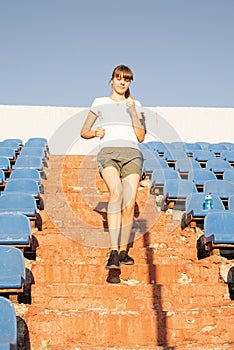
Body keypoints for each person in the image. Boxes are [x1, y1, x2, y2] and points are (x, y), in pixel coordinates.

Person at [80, 64, 146, 270]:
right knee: (116, 192)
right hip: (108, 153)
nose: (122, 82)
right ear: (112, 80)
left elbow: (141, 137)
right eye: (118, 78)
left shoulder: (136, 104)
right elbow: (84, 131)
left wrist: (133, 111)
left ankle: (123, 251)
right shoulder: (99, 102)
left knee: (129, 203)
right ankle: (113, 251)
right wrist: (95, 132)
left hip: (132, 155)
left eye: (126, 79)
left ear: (129, 83)